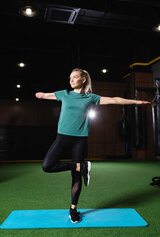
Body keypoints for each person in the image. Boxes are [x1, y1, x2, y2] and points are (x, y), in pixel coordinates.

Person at [35, 68, 150, 223]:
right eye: (70, 78)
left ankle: (73, 209)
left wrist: (136, 102)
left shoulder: (90, 97)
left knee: (76, 177)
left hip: (80, 139)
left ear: (83, 79)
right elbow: (45, 95)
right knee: (47, 166)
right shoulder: (64, 94)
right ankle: (80, 166)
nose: (71, 80)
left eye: (74, 77)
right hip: (62, 137)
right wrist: (40, 95)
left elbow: (114, 99)